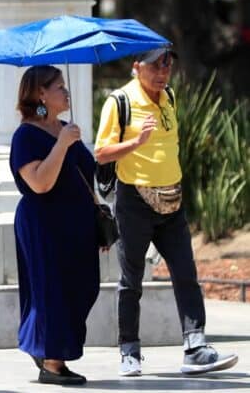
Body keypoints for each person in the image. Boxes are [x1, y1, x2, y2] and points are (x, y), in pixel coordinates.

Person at [95, 48, 239, 376]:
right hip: (134, 201)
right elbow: (102, 153)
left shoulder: (169, 96)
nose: (163, 72)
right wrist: (136, 141)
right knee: (131, 280)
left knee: (186, 273)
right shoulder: (119, 102)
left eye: (168, 64)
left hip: (172, 201)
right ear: (136, 67)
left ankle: (195, 348)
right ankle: (129, 351)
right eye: (155, 65)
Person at [9, 65, 99, 386]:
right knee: (52, 291)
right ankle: (51, 360)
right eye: (59, 87)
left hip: (78, 224)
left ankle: (48, 349)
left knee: (84, 287)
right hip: (43, 225)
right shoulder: (26, 136)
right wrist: (61, 144)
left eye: (64, 85)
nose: (66, 91)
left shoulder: (66, 128)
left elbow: (87, 175)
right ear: (41, 94)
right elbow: (40, 183)